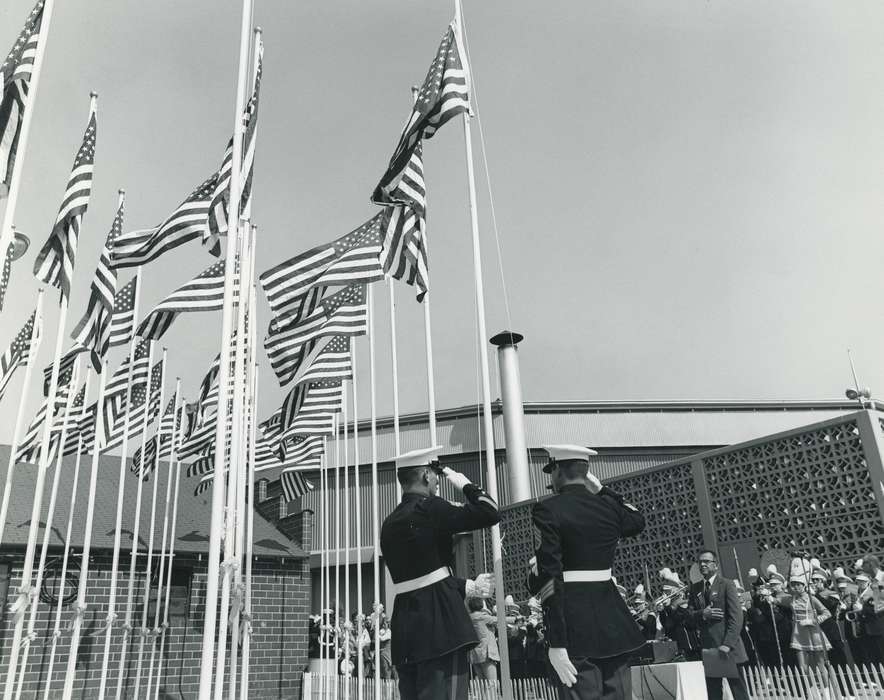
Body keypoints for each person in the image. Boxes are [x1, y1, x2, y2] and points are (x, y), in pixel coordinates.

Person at [379, 446, 500, 700]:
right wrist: (465, 484)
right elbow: (490, 512)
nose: (437, 480)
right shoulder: (430, 507)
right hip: (441, 626)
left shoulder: (389, 523)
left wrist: (467, 586)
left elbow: (422, 576)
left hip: (406, 626)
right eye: (434, 474)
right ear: (425, 476)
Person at [527, 444, 646, 700]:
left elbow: (550, 576)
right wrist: (602, 489)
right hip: (613, 620)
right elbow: (637, 520)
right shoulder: (608, 506)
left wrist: (556, 641)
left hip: (573, 622)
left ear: (557, 470)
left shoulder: (548, 509)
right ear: (586, 473)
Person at [687, 550, 750, 700]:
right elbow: (688, 617)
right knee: (714, 693)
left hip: (728, 648)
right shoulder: (695, 588)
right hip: (709, 648)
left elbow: (736, 618)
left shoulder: (726, 584)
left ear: (715, 565)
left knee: (739, 692)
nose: (702, 564)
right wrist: (702, 613)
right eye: (700, 562)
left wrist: (727, 644)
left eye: (707, 561)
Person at [775, 559, 830, 671]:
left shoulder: (812, 598)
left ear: (804, 585)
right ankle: (808, 687)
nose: (795, 587)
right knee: (803, 666)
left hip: (813, 632)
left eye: (798, 585)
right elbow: (776, 600)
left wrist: (813, 621)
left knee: (820, 664)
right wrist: (768, 596)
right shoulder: (791, 599)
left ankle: (825, 688)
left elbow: (827, 613)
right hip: (798, 633)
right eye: (793, 585)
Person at [467, 597, 500, 680]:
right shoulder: (481, 617)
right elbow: (499, 619)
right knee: (492, 683)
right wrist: (516, 619)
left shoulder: (469, 618)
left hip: (475, 654)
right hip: (486, 653)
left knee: (482, 684)